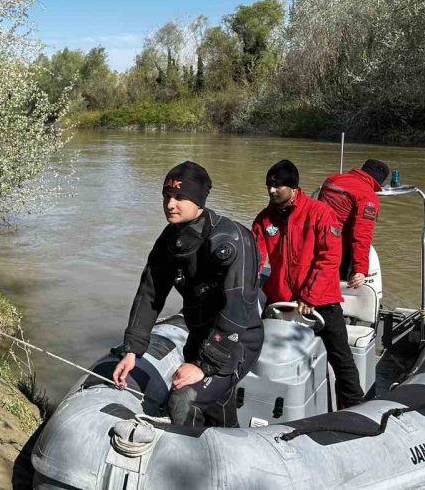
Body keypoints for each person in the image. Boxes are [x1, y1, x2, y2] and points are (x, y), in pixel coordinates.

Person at [112, 161, 264, 428]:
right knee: (217, 407)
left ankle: (186, 468)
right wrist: (132, 351)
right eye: (167, 196)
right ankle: (228, 452)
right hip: (198, 334)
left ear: (199, 201)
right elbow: (150, 293)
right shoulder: (170, 239)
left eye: (180, 197)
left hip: (236, 341)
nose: (170, 204)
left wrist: (205, 366)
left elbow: (236, 312)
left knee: (184, 400)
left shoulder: (230, 240)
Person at [251, 160, 364, 409]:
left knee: (341, 359)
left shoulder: (319, 213)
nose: (271, 191)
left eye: (277, 186)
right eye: (269, 186)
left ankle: (354, 409)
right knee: (264, 357)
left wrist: (308, 297)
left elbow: (329, 259)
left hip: (321, 301)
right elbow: (255, 259)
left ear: (293, 187)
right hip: (280, 304)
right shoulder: (263, 219)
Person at [317, 159, 389, 288]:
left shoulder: (332, 179)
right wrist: (360, 270)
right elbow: (362, 234)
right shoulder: (368, 196)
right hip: (334, 249)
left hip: (312, 240)